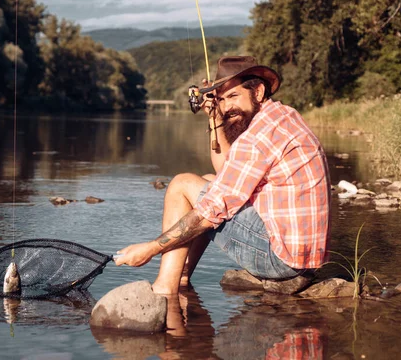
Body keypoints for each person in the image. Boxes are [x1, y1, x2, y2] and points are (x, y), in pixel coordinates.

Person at [115, 56, 331, 295]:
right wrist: (214, 119)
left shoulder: (258, 138)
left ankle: (165, 288)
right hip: (306, 255)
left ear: (257, 91)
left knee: (181, 184)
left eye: (234, 96)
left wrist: (151, 248)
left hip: (282, 260)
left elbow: (211, 211)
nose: (227, 107)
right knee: (208, 180)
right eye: (222, 99)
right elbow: (225, 172)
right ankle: (182, 276)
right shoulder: (282, 116)